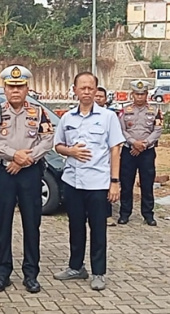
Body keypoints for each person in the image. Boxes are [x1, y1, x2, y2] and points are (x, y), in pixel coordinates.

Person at [0, 65, 54, 294]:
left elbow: (47, 139)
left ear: (27, 88)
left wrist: (25, 159)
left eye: (20, 86)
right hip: (3, 173)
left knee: (31, 224)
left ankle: (31, 274)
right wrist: (13, 155)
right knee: (2, 224)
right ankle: (2, 273)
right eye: (11, 86)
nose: (16, 90)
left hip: (30, 173)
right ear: (4, 88)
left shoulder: (38, 112)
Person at [53, 72, 125, 291]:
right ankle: (76, 267)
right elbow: (58, 146)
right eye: (82, 88)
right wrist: (71, 151)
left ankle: (99, 272)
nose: (86, 92)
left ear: (96, 91)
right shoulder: (67, 118)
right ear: (74, 90)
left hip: (98, 183)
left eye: (90, 88)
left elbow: (115, 150)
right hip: (73, 182)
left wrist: (115, 182)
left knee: (98, 229)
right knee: (75, 227)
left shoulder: (108, 117)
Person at [118, 80, 162, 226]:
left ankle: (148, 215)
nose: (139, 97)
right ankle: (124, 213)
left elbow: (157, 130)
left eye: (142, 94)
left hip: (147, 152)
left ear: (147, 95)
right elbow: (122, 130)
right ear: (132, 94)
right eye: (137, 94)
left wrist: (144, 144)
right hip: (128, 151)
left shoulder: (155, 111)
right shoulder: (125, 110)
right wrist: (133, 143)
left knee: (147, 184)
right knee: (126, 183)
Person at [95, 86, 117, 227]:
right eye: (96, 96)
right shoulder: (74, 115)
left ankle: (107, 215)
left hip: (106, 159)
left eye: (100, 97)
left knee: (105, 188)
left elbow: (115, 143)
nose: (98, 98)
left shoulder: (110, 116)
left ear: (105, 99)